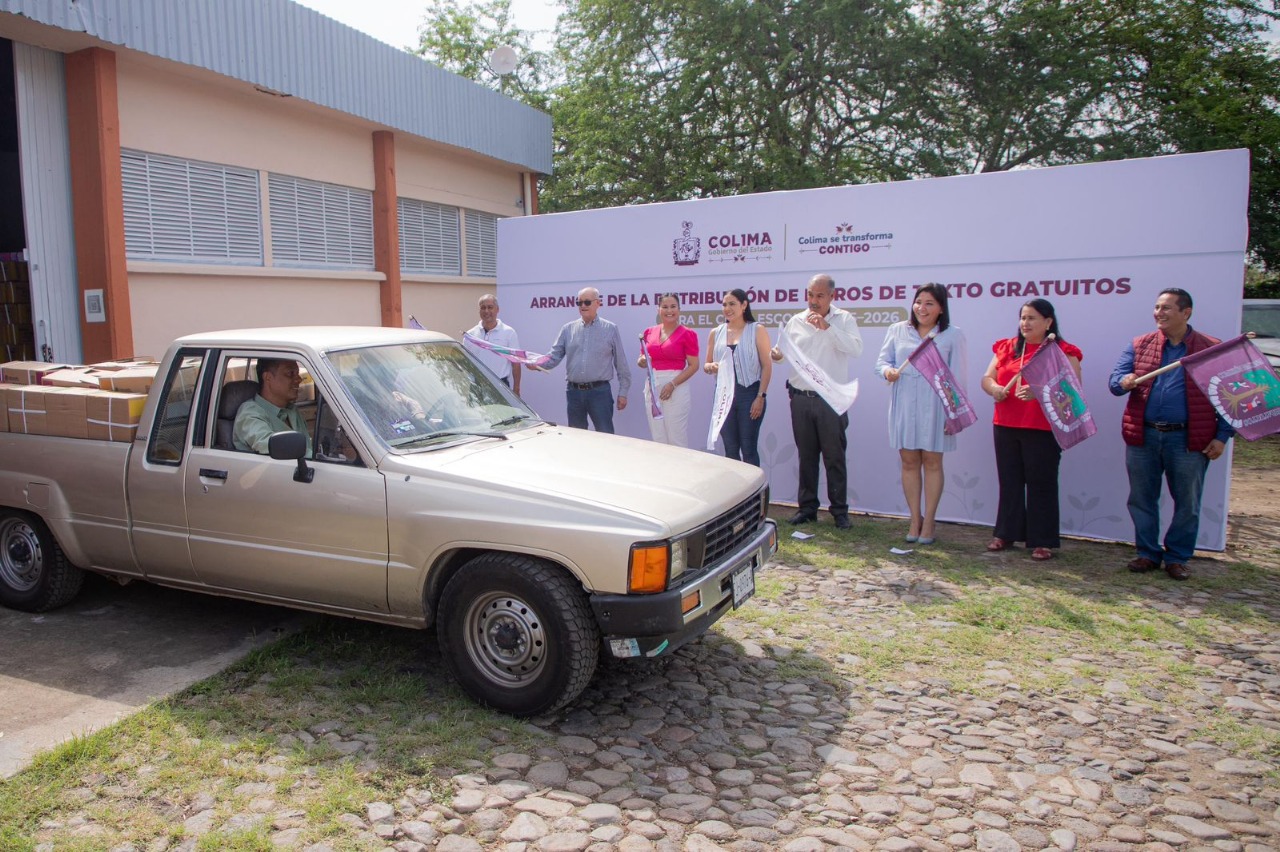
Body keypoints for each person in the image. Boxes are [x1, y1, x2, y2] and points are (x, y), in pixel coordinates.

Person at [1108, 288, 1232, 581]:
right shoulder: (1140, 345)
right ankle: (1147, 553)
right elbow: (1114, 383)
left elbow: (1229, 395)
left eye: (1166, 308)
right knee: (1141, 498)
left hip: (1188, 440)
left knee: (1188, 503)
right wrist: (1124, 380)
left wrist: (1222, 436)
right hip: (1144, 436)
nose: (1158, 313)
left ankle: (1177, 557)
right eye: (1156, 307)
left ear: (1186, 312)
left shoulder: (1210, 348)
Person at [980, 299, 1082, 561]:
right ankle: (1006, 533)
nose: (1025, 323)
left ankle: (1042, 540)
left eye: (1032, 318)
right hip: (1005, 424)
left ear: (1048, 322)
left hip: (1042, 428)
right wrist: (995, 389)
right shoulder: (1008, 347)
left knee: (1041, 483)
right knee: (1009, 481)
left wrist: (1040, 392)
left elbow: (1074, 390)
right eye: (1023, 318)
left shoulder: (1062, 351)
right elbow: (987, 378)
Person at [875, 283, 966, 545]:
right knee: (909, 461)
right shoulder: (898, 330)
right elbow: (881, 362)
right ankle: (915, 519)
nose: (921, 308)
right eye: (918, 302)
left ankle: (930, 521)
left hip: (937, 406)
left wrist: (953, 413)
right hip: (905, 403)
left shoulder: (952, 335)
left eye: (929, 303)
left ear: (941, 308)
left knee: (933, 462)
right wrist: (887, 372)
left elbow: (958, 377)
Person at [770, 274, 863, 528]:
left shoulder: (843, 319)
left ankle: (840, 512)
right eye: (810, 294)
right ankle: (807, 508)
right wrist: (776, 354)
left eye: (820, 296)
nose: (813, 300)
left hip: (830, 399)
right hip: (801, 398)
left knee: (834, 457)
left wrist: (828, 328)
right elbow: (783, 353)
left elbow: (856, 349)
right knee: (807, 456)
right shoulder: (796, 320)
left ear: (832, 296)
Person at [539, 286, 631, 433]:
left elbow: (621, 363)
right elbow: (554, 357)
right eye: (579, 302)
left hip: (600, 393)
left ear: (598, 303)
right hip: (574, 393)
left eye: (587, 302)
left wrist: (623, 392)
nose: (583, 306)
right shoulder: (567, 329)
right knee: (577, 438)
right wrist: (536, 363)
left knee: (606, 437)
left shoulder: (610, 329)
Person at [704, 289, 773, 465]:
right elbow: (706, 364)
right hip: (723, 396)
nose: (727, 308)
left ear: (744, 305)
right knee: (730, 449)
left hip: (749, 394)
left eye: (732, 304)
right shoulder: (716, 332)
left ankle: (755, 484)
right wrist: (711, 367)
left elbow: (767, 365)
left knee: (748, 448)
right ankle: (734, 483)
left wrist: (760, 396)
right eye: (724, 304)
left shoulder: (757, 330)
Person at [638, 293, 699, 447]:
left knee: (676, 437)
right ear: (658, 309)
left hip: (676, 386)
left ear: (679, 309)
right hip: (653, 386)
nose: (669, 310)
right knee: (658, 437)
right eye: (665, 307)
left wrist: (672, 384)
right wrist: (642, 361)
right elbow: (642, 359)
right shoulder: (648, 332)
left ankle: (680, 464)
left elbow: (694, 365)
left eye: (673, 307)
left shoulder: (688, 334)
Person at [233, 358, 312, 454]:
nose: (299, 379)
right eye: (290, 373)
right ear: (268, 378)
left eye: (297, 373)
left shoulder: (291, 410)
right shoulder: (250, 414)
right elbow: (270, 445)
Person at [466, 293, 521, 394]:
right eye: (483, 308)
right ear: (479, 311)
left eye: (490, 307)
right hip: (477, 386)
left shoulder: (509, 333)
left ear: (497, 309)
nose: (486, 311)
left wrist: (516, 388)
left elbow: (516, 363)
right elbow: (467, 363)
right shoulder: (470, 335)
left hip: (501, 386)